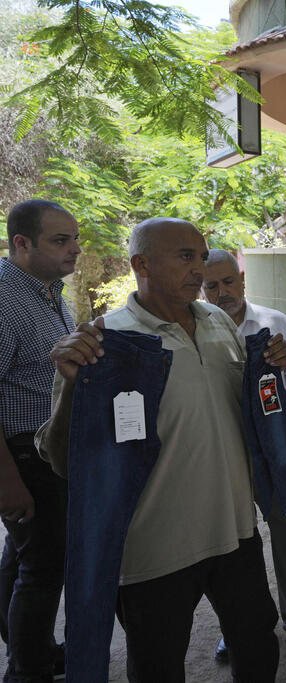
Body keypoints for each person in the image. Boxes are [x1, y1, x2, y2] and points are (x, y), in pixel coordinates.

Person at [37, 218, 286, 682]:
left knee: (257, 645)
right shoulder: (104, 341)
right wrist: (75, 388)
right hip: (153, 548)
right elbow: (61, 459)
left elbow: (245, 414)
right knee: (157, 666)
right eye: (184, 256)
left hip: (234, 531)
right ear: (142, 264)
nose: (199, 267)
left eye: (201, 254)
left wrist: (270, 371)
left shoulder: (218, 322)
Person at [201, 249, 286, 665]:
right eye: (212, 285)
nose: (222, 292)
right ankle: (238, 628)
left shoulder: (275, 325)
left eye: (228, 282)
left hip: (276, 450)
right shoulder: (196, 332)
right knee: (231, 549)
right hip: (223, 453)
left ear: (242, 280)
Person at [0, 200, 78, 681]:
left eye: (74, 239)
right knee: (45, 571)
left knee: (24, 558)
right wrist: (9, 482)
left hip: (48, 449)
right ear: (21, 244)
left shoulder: (47, 290)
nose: (75, 250)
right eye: (61, 240)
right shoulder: (6, 297)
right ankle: (27, 671)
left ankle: (32, 652)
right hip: (25, 455)